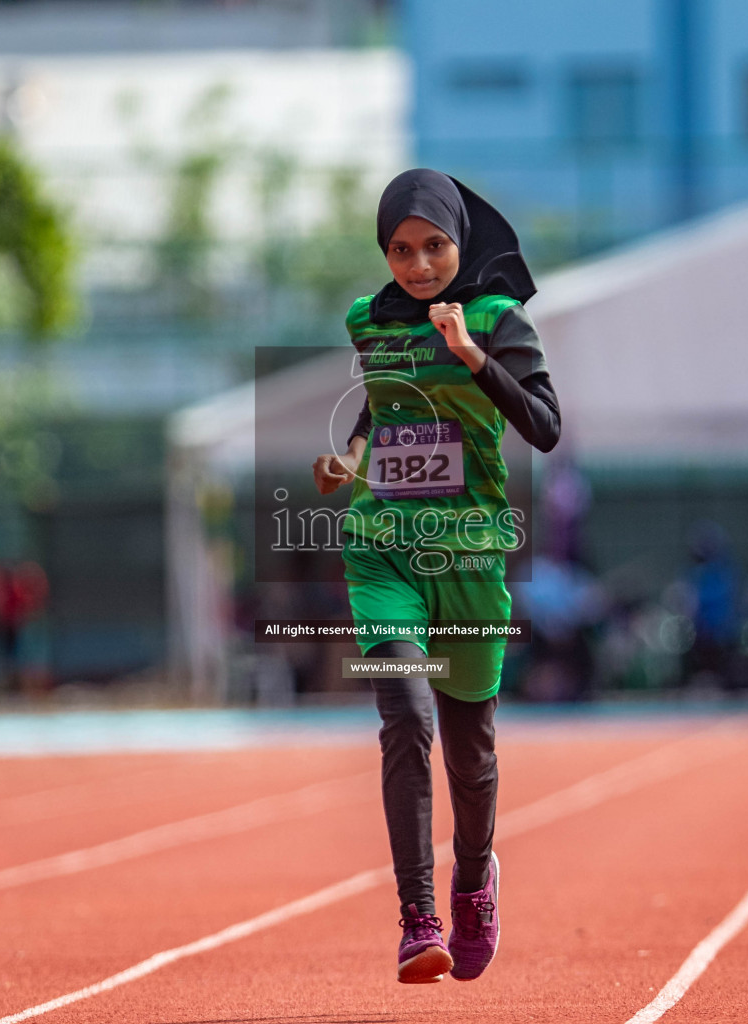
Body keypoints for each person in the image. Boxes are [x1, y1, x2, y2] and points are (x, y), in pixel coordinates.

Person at [310, 169, 560, 984]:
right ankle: (418, 918)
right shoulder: (367, 322)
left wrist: (471, 354)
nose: (417, 265)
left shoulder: (497, 320)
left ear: (461, 243)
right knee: (405, 717)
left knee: (470, 756)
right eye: (400, 250)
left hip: (469, 554)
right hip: (382, 544)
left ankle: (472, 879)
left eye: (433, 247)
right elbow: (381, 403)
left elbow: (546, 427)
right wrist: (348, 460)